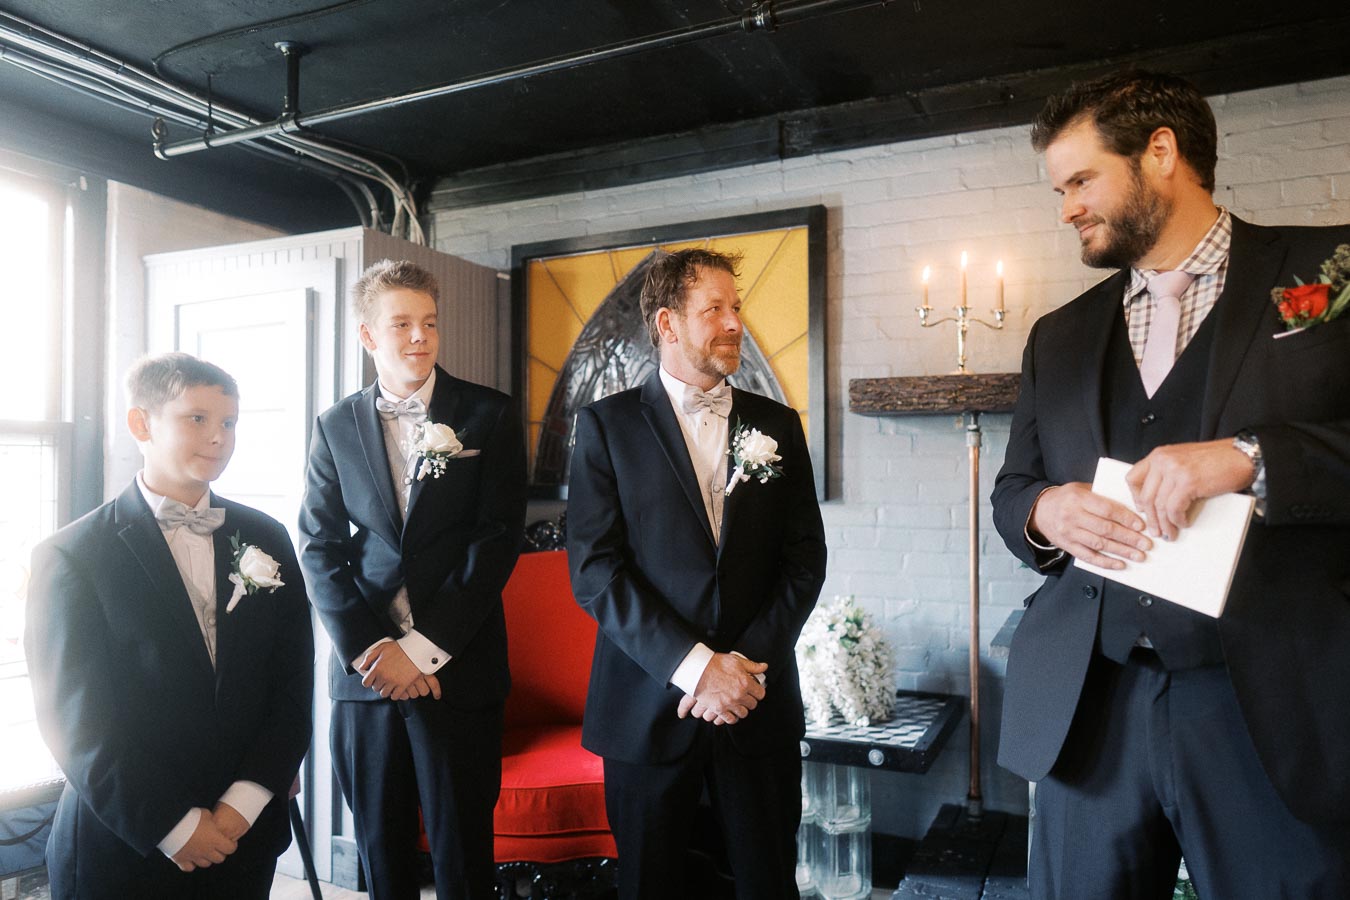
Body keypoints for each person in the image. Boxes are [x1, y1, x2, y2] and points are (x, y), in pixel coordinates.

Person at [992, 69, 1350, 898]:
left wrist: (1253, 457)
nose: (1066, 209)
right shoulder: (1060, 335)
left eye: (1081, 180)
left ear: (1162, 153)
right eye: (1059, 188)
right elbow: (1014, 489)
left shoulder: (1331, 274)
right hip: (1094, 704)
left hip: (1273, 702)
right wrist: (1047, 510)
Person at [567, 248, 827, 900]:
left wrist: (741, 667)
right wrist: (697, 669)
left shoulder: (778, 427)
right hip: (645, 710)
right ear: (668, 323)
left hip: (755, 705)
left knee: (768, 885)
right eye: (714, 309)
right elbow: (596, 570)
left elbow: (805, 561)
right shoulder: (606, 427)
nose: (734, 322)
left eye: (735, 307)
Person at [25, 352, 314, 899]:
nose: (219, 438)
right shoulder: (72, 556)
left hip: (243, 833)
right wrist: (175, 828)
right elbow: (75, 719)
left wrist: (243, 803)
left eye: (229, 422)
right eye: (197, 419)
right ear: (141, 424)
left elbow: (292, 683)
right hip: (125, 842)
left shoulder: (266, 537)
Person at [298, 259, 526, 900]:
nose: (420, 337)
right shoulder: (334, 425)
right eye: (401, 324)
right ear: (369, 335)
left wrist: (422, 650)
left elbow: (496, 542)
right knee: (382, 856)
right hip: (366, 678)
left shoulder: (489, 415)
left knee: (463, 858)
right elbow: (319, 547)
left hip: (459, 667)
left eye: (429, 322)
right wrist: (374, 651)